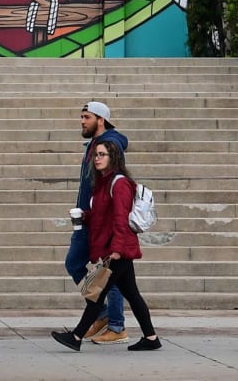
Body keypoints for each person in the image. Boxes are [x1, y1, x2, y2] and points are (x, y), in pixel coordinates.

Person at [52, 140, 162, 353]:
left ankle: (76, 336)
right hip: (111, 247)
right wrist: (85, 216)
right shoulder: (103, 183)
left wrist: (117, 250)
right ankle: (151, 338)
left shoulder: (119, 184)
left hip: (116, 250)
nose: (97, 158)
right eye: (96, 155)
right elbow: (103, 215)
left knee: (97, 293)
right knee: (132, 294)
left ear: (114, 158)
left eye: (102, 154)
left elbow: (121, 219)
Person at [65, 101, 129, 344]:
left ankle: (116, 325)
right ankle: (103, 313)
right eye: (82, 117)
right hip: (87, 217)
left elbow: (112, 182)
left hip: (100, 219)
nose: (82, 121)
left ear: (101, 120)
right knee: (75, 263)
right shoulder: (94, 144)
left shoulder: (110, 145)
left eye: (87, 117)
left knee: (110, 273)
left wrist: (100, 214)